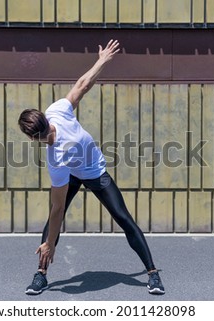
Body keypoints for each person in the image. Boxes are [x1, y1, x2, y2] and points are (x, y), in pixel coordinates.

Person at [18, 39, 165, 295]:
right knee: (55, 221)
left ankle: (152, 274)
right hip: (75, 174)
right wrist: (102, 60)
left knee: (122, 218)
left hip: (96, 173)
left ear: (33, 138)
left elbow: (57, 207)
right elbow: (81, 86)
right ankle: (41, 274)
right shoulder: (56, 115)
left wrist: (50, 243)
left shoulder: (56, 154)